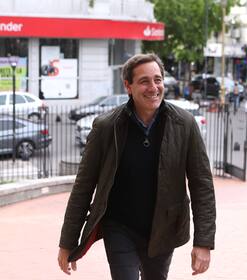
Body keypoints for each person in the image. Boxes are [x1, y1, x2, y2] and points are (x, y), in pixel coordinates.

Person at [57, 53, 216, 280]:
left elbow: (202, 186)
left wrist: (204, 242)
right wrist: (68, 242)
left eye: (158, 79)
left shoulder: (185, 124)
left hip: (163, 226)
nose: (153, 87)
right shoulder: (106, 127)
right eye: (144, 81)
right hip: (119, 227)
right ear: (128, 86)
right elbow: (83, 186)